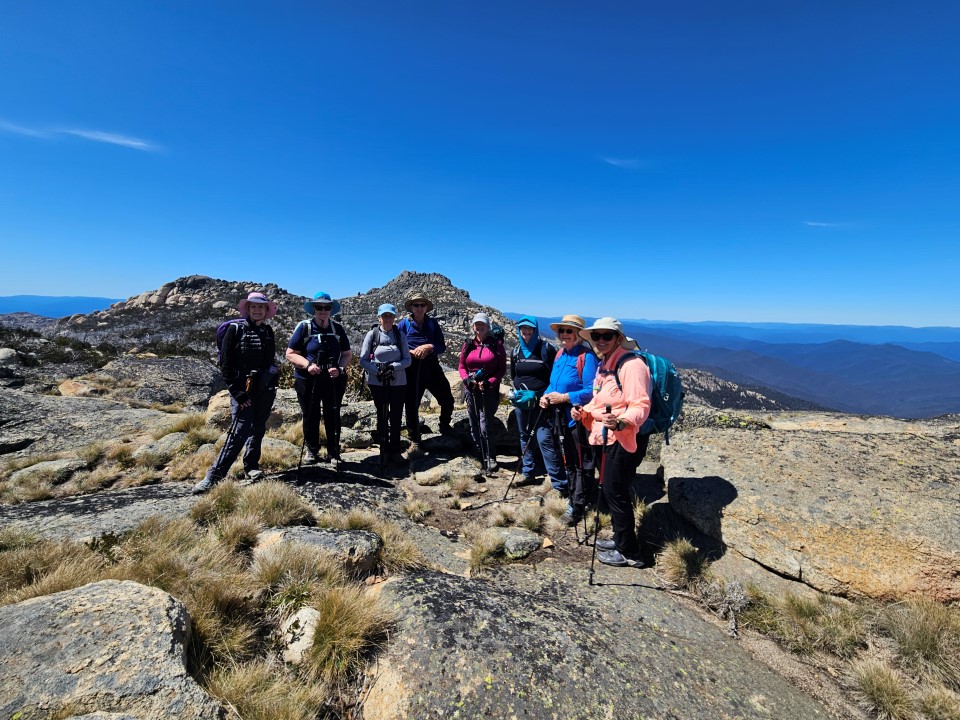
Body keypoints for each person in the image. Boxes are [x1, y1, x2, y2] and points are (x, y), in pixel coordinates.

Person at [570, 318, 651, 568]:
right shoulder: (605, 365)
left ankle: (630, 552)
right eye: (596, 336)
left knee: (616, 492)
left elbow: (641, 405)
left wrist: (622, 421)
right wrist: (582, 411)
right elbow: (599, 400)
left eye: (607, 336)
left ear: (618, 338)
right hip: (603, 436)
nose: (601, 341)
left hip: (622, 438)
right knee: (610, 490)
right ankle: (619, 539)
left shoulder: (632, 365)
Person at [193, 291, 279, 494]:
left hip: (263, 389)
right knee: (239, 432)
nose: (257, 310)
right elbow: (226, 364)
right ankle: (214, 476)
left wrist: (268, 380)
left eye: (261, 307)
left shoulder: (267, 331)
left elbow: (269, 361)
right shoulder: (235, 329)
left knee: (258, 428)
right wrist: (237, 392)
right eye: (253, 307)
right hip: (242, 390)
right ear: (247, 309)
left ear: (267, 311)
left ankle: (252, 467)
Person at [538, 314, 599, 519]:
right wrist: (545, 396)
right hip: (560, 417)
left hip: (578, 418)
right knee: (570, 461)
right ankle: (576, 496)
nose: (564, 335)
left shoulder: (586, 357)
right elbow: (553, 383)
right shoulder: (560, 355)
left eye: (569, 331)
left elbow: (591, 390)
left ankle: (578, 505)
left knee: (581, 462)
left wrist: (565, 397)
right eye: (561, 331)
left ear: (579, 335)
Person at [286, 291, 352, 465]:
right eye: (319, 307)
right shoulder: (304, 327)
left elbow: (346, 353)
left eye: (326, 307)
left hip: (333, 379)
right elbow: (291, 353)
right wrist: (308, 365)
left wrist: (340, 368)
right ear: (313, 309)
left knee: (333, 413)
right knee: (310, 414)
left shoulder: (337, 329)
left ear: (331, 309)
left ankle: (334, 451)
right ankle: (312, 450)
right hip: (308, 379)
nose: (323, 310)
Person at [398, 292, 455, 452]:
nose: (419, 308)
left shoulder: (432, 324)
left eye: (422, 305)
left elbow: (441, 346)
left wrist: (429, 347)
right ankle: (415, 438)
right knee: (411, 404)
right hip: (412, 369)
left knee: (447, 398)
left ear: (426, 308)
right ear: (411, 307)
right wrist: (411, 352)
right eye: (416, 305)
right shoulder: (404, 324)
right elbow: (396, 345)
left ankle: (444, 425)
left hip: (431, 366)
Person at [359, 303, 412, 464]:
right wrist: (378, 370)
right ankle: (383, 449)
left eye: (390, 316)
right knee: (381, 415)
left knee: (396, 416)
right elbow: (363, 360)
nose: (388, 319)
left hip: (398, 382)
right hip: (377, 382)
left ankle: (395, 451)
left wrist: (392, 367)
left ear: (394, 318)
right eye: (385, 316)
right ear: (379, 318)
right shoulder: (372, 334)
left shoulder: (399, 334)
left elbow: (407, 360)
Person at [509, 315, 557, 487]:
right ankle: (528, 472)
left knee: (544, 437)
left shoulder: (546, 349)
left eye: (530, 328)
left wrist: (539, 395)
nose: (526, 331)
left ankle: (556, 480)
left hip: (541, 401)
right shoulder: (516, 351)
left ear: (535, 329)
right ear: (519, 330)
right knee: (524, 435)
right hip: (522, 401)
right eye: (523, 328)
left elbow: (554, 377)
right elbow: (514, 375)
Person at [458, 312, 506, 472]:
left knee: (486, 423)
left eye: (482, 325)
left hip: (488, 389)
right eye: (477, 325)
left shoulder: (495, 344)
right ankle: (478, 453)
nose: (479, 328)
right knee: (473, 421)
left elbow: (501, 369)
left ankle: (490, 455)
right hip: (471, 388)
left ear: (487, 327)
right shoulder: (468, 344)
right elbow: (462, 366)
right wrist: (467, 380)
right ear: (473, 327)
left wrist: (490, 382)